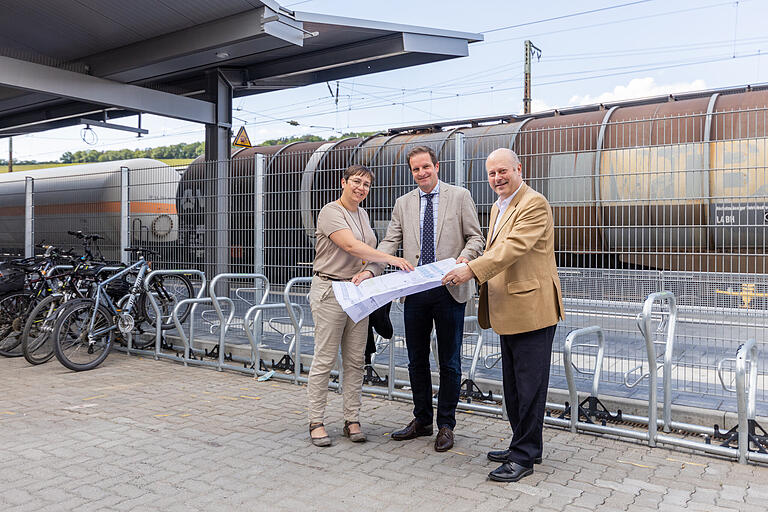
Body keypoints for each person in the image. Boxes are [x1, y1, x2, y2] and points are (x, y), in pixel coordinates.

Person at [442, 148, 564, 482]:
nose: (497, 178)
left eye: (503, 171)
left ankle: (523, 457)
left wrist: (471, 270)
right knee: (514, 385)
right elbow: (495, 248)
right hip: (511, 308)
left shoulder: (533, 203)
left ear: (518, 169)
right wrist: (461, 262)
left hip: (532, 308)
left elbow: (513, 249)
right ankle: (524, 445)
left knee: (528, 386)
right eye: (492, 173)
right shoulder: (500, 206)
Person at [356, 145, 484, 452]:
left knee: (450, 362)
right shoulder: (403, 203)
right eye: (416, 169)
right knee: (416, 360)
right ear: (411, 172)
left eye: (426, 167)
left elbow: (476, 237)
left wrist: (462, 262)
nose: (421, 173)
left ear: (436, 166)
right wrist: (371, 271)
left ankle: (446, 425)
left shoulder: (459, 196)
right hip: (414, 292)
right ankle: (422, 420)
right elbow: (389, 243)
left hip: (449, 288)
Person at [308, 164, 414, 447]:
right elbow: (352, 246)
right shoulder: (331, 212)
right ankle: (316, 421)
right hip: (331, 290)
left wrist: (371, 271)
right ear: (343, 182)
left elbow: (364, 258)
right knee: (325, 358)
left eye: (366, 184)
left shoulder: (363, 213)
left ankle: (351, 419)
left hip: (356, 292)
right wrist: (391, 259)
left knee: (356, 359)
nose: (361, 188)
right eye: (356, 182)